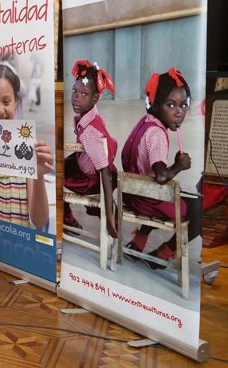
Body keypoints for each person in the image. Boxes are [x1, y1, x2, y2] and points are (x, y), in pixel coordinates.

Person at [121, 68, 202, 268]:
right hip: (146, 200)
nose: (179, 112)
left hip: (132, 193)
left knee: (174, 195)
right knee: (199, 212)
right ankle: (163, 253)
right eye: (171, 105)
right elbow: (160, 176)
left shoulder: (145, 123)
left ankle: (138, 243)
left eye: (184, 105)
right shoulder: (157, 134)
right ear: (156, 105)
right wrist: (178, 166)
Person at [0, 63, 53, 230]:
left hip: (20, 242)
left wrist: (40, 175)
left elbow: (39, 221)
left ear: (15, 102)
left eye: (6, 102)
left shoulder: (28, 146)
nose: (0, 110)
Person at [63, 60, 118, 238]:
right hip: (88, 165)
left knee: (52, 177)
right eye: (74, 91)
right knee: (57, 166)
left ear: (95, 99)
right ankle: (72, 217)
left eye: (84, 94)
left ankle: (68, 218)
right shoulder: (88, 116)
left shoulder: (90, 133)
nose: (76, 97)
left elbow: (105, 171)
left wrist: (108, 213)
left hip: (94, 178)